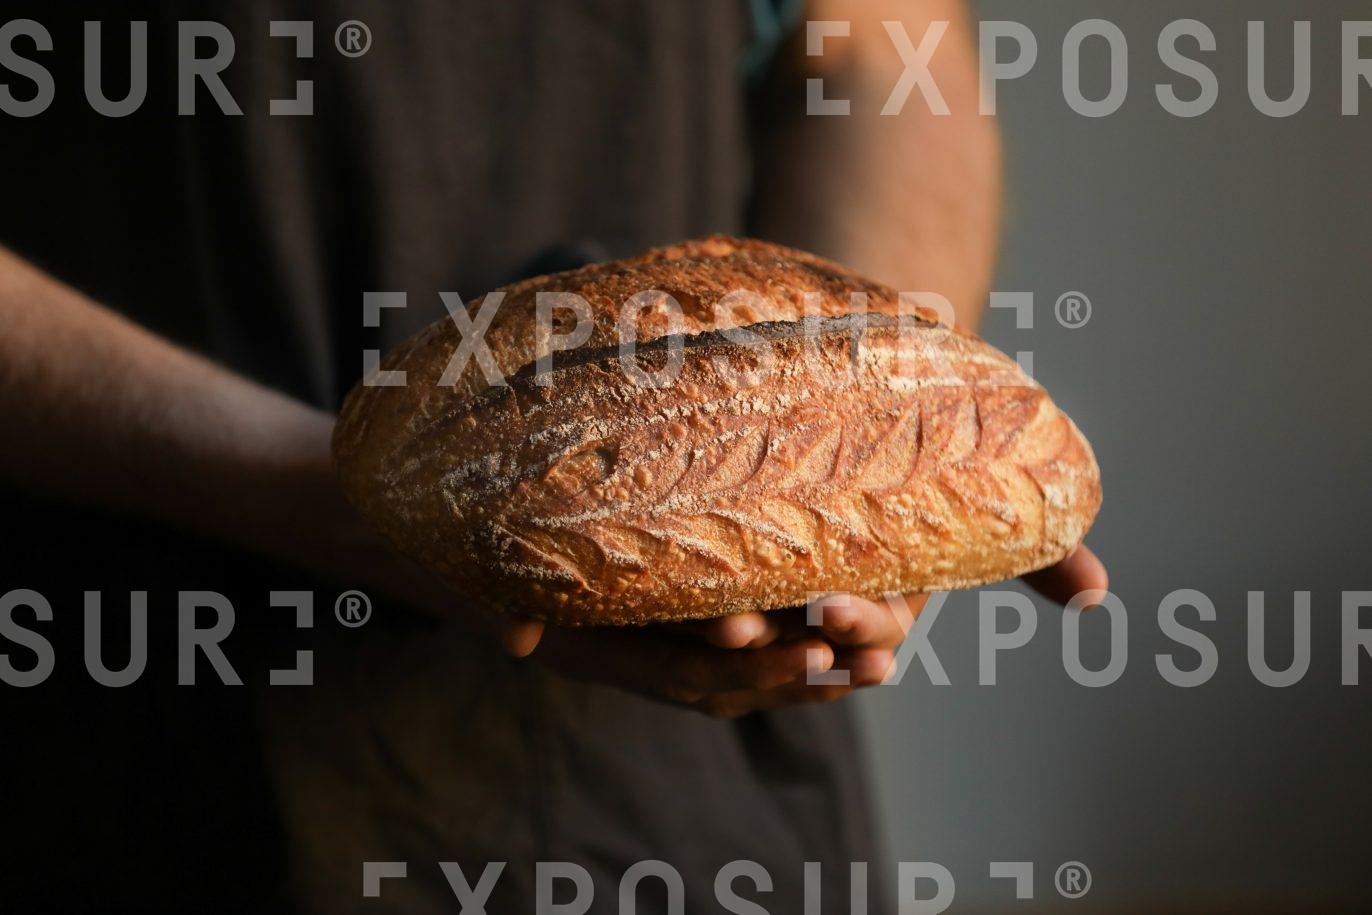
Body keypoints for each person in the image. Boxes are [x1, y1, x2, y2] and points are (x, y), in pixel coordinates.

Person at [0, 1, 1105, 911]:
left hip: (699, 801)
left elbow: (885, 60)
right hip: (171, 737)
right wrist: (318, 491)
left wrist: (862, 432)